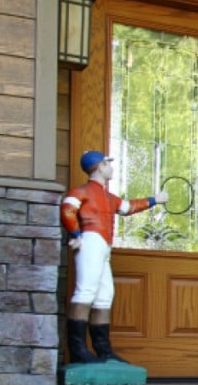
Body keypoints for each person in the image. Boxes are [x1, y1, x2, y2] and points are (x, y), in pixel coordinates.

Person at [60, 150, 169, 364]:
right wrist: (75, 234)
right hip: (91, 240)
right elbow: (67, 210)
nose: (111, 167)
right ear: (100, 167)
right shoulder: (82, 191)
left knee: (104, 295)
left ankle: (103, 350)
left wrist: (154, 200)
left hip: (103, 246)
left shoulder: (107, 197)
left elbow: (128, 207)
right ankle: (78, 349)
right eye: (108, 163)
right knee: (85, 291)